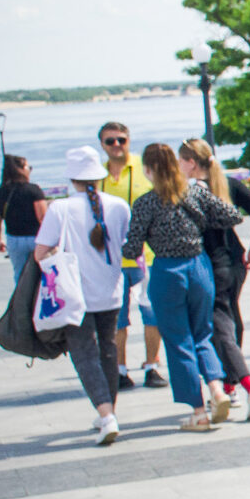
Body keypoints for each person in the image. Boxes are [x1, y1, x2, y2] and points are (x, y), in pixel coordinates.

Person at [120, 142, 243, 432]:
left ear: (148, 170)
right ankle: (217, 389)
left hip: (167, 270)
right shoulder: (195, 192)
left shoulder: (146, 203)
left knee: (178, 341)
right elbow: (232, 215)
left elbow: (132, 249)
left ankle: (198, 411)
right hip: (199, 267)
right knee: (203, 334)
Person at [34, 147, 131, 445]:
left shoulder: (60, 209)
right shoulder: (119, 206)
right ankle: (109, 410)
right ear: (100, 176)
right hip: (112, 290)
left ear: (71, 177)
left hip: (74, 295)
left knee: (84, 353)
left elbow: (41, 252)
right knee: (108, 349)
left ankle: (105, 415)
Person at [179, 139, 250, 421]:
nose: (178, 166)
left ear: (191, 162)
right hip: (235, 259)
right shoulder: (228, 183)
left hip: (210, 264)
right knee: (231, 317)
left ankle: (244, 385)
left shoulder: (193, 192)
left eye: (181, 160)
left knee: (219, 324)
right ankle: (230, 385)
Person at [98, 122, 165, 390]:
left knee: (152, 313)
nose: (116, 145)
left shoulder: (144, 166)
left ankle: (152, 366)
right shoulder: (97, 175)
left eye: (121, 140)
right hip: (111, 258)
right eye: (110, 141)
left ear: (129, 140)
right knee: (117, 317)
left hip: (146, 255)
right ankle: (120, 369)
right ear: (102, 145)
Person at [0, 155, 47, 285]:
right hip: (36, 238)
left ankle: (22, 301)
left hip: (14, 239)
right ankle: (40, 300)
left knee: (20, 274)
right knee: (42, 272)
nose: (30, 170)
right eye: (28, 167)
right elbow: (43, 217)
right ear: (20, 170)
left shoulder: (0, 192)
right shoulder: (34, 190)